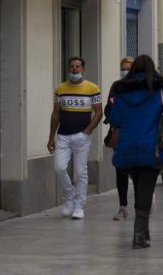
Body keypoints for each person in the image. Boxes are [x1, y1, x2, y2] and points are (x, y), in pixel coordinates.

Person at [108, 54, 163, 249]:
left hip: (127, 146)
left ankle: (143, 233)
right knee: (146, 188)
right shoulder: (160, 88)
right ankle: (139, 235)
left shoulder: (121, 90)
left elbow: (115, 119)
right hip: (151, 146)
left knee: (139, 186)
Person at [48, 57, 102, 220]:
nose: (74, 69)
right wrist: (51, 137)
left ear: (83, 69)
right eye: (71, 66)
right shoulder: (61, 89)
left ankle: (79, 206)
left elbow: (98, 112)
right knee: (59, 167)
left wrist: (87, 131)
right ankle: (70, 197)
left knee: (80, 172)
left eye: (78, 66)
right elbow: (56, 113)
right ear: (68, 69)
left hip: (81, 137)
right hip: (63, 136)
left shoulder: (92, 88)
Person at [104, 57, 135, 221]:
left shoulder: (143, 87)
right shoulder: (116, 86)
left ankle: (145, 198)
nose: (125, 71)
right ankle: (123, 206)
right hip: (120, 134)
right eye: (123, 68)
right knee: (121, 170)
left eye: (129, 68)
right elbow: (108, 108)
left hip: (137, 134)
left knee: (137, 170)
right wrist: (113, 119)